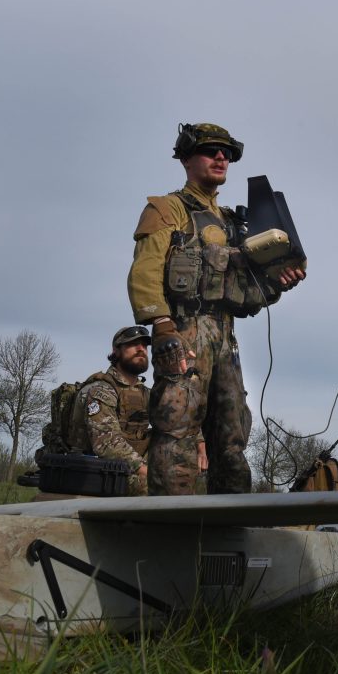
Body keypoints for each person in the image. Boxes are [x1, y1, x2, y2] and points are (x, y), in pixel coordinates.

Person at [128, 123, 305, 495]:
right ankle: (171, 526)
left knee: (232, 436)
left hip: (225, 336)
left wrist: (277, 283)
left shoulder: (233, 222)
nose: (221, 157)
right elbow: (145, 271)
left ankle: (229, 526)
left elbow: (248, 293)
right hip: (183, 329)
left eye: (227, 153)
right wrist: (161, 325)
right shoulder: (167, 209)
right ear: (187, 158)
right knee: (178, 427)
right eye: (211, 150)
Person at [36, 325, 156, 496]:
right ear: (116, 351)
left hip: (126, 468)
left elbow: (173, 423)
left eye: (144, 345)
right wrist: (145, 470)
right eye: (133, 344)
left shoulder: (146, 394)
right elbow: (106, 443)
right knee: (156, 487)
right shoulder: (101, 390)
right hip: (98, 471)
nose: (141, 349)